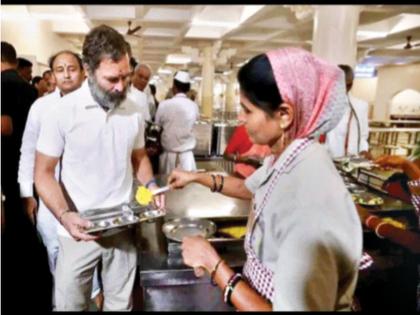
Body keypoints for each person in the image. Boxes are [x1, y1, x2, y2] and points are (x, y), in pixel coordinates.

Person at [168, 48, 362, 311]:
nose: (240, 118)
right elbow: (248, 187)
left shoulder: (309, 205)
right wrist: (195, 177)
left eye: (247, 110)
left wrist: (215, 265)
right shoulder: (289, 156)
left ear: (284, 115)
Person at [34, 25, 164, 311]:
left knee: (121, 305)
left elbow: (139, 157)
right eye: (112, 79)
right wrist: (65, 215)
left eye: (126, 77)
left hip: (122, 225)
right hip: (77, 230)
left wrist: (151, 185)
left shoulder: (133, 108)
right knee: (70, 306)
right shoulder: (62, 112)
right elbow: (42, 173)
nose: (121, 86)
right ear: (89, 71)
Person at [17, 50, 105, 309]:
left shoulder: (98, 105)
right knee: (58, 266)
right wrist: (26, 193)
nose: (66, 74)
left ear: (84, 71)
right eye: (59, 69)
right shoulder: (42, 107)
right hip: (50, 203)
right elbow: (28, 150)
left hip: (87, 202)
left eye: (72, 68)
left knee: (91, 272)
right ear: (52, 74)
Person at [1, 41, 52, 311]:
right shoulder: (29, 90)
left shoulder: (3, 86)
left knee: (12, 239)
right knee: (32, 234)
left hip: (8, 169)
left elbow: (5, 126)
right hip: (33, 170)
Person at [155, 70, 200, 175]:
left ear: (174, 87)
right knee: (188, 189)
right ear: (188, 89)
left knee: (167, 187)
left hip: (167, 157)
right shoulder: (194, 106)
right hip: (187, 158)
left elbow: (157, 126)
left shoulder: (164, 105)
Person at [323, 64, 370, 159]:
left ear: (351, 84)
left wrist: (364, 150)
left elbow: (363, 136)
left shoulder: (360, 106)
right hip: (326, 159)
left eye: (347, 85)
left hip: (350, 161)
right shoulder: (323, 105)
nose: (343, 89)